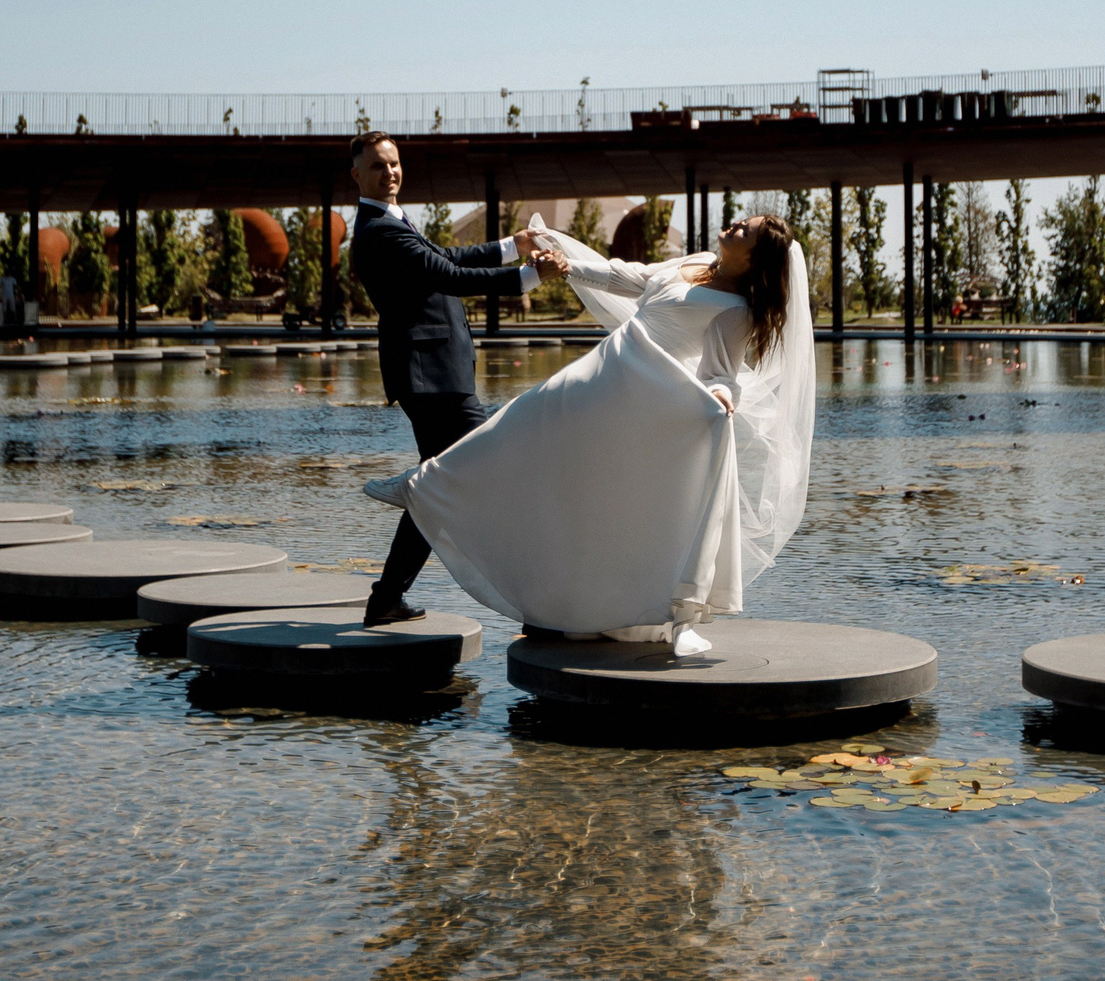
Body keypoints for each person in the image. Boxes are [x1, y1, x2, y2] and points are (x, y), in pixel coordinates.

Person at [364, 210, 813, 655]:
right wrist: (568, 267)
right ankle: (428, 487)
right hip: (601, 373)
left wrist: (720, 397)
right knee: (518, 425)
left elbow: (720, 373)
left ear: (755, 258)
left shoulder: (734, 310)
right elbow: (631, 277)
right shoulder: (693, 262)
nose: (734, 226)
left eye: (745, 231)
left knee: (584, 498)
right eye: (740, 222)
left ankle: (426, 489)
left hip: (636, 403)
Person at [346, 130, 565, 626]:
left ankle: (387, 597)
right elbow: (448, 276)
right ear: (357, 175)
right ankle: (542, 601)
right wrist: (530, 276)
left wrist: (513, 246)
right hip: (431, 379)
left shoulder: (393, 221)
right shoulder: (379, 230)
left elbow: (448, 258)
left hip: (437, 374)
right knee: (487, 472)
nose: (391, 173)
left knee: (443, 488)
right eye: (378, 166)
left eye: (395, 163)